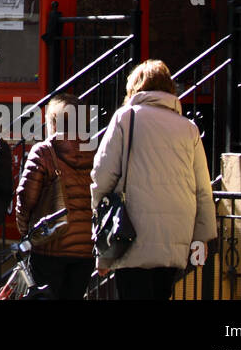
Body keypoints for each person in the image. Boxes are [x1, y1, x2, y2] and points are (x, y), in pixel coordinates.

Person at [91, 60, 218, 300]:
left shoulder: (125, 118)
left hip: (131, 231)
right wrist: (201, 237)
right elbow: (203, 189)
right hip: (175, 233)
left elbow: (101, 175)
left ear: (135, 88)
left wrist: (100, 226)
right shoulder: (189, 128)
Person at [14, 94, 95, 299]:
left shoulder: (43, 152)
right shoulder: (95, 152)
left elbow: (26, 198)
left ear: (53, 122)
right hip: (85, 248)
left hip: (50, 246)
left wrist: (28, 232)